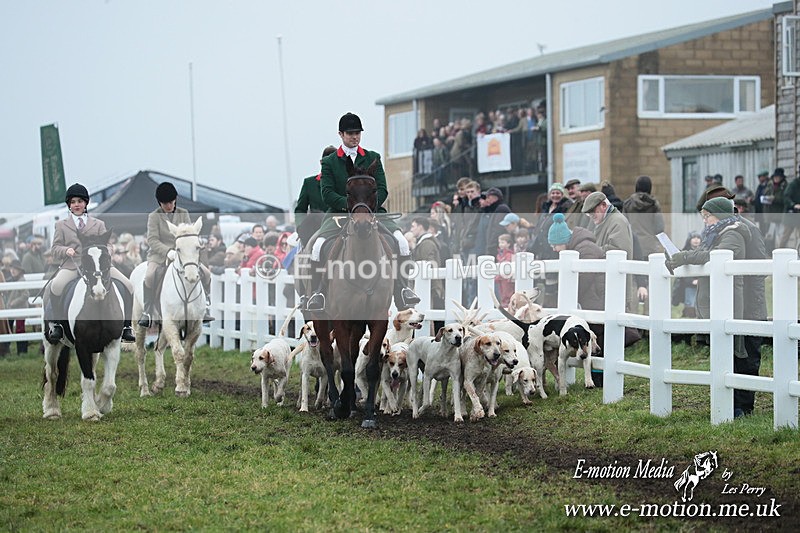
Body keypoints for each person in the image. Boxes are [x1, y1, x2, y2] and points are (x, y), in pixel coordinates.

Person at [303, 112, 419, 312]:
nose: (354, 137)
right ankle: (318, 292)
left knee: (402, 242)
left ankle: (402, 288)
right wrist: (352, 207)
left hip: (372, 212)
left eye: (357, 133)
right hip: (339, 215)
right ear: (341, 134)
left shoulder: (373, 157)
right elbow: (327, 193)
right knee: (317, 247)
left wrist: (366, 208)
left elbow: (382, 189)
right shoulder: (330, 162)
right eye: (350, 133)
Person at [664, 197, 756, 418]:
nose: (705, 221)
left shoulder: (732, 234)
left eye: (708, 216)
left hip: (727, 301)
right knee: (721, 352)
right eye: (703, 217)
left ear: (720, 216)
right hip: (715, 300)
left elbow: (713, 257)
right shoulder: (717, 233)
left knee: (731, 353)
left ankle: (735, 407)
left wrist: (684, 256)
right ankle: (726, 404)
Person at [44, 183, 135, 342]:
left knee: (128, 285)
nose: (76, 205)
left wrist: (108, 250)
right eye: (73, 202)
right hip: (73, 265)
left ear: (86, 203)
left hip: (98, 266)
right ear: (69, 205)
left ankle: (127, 326)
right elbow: (54, 248)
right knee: (56, 286)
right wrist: (65, 250)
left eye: (80, 201)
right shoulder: (61, 226)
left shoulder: (98, 224)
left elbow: (108, 244)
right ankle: (58, 324)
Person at [138, 181, 213, 327]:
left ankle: (206, 306)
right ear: (160, 202)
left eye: (171, 202)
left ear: (175, 199)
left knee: (207, 273)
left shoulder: (183, 213)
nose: (169, 206)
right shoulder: (154, 217)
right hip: (159, 255)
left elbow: (189, 233)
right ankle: (147, 311)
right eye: (165, 203)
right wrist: (168, 252)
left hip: (184, 255)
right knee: (149, 276)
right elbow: (152, 240)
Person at [547, 212, 606, 385]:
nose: (554, 249)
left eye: (555, 245)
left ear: (562, 241)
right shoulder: (579, 248)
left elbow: (583, 281)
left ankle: (599, 377)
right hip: (593, 299)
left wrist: (565, 300)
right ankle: (597, 377)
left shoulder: (586, 249)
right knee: (596, 339)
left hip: (597, 299)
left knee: (598, 339)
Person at [582, 191, 638, 314]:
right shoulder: (603, 221)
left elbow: (619, 250)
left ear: (603, 205)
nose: (591, 215)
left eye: (593, 211)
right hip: (606, 286)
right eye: (589, 213)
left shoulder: (617, 221)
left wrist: (591, 250)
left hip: (616, 287)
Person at [295, 146, 337, 246]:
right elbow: (300, 209)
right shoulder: (309, 183)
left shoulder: (346, 184)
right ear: (321, 163)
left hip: (338, 229)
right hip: (315, 230)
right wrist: (301, 227)